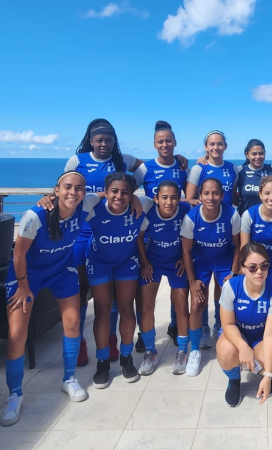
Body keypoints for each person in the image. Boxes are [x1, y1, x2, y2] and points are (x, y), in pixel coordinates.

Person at [0, 172, 98, 426]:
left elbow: (108, 194)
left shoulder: (85, 205)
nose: (73, 193)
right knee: (16, 334)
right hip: (26, 275)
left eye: (79, 188)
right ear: (56, 190)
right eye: (67, 187)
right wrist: (23, 286)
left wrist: (129, 197)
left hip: (61, 270)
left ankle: (69, 378)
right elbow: (18, 253)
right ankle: (14, 393)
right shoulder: (35, 216)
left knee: (74, 322)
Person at [64, 118, 144, 367]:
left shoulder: (123, 161)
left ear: (113, 141)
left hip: (111, 230)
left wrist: (133, 194)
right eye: (99, 140)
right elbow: (67, 191)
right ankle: (78, 343)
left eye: (108, 140)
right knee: (77, 292)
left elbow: (143, 169)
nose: (103, 144)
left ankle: (110, 339)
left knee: (110, 296)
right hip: (82, 232)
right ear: (91, 140)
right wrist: (103, 195)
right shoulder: (78, 161)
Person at [86, 173, 149, 389]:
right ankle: (102, 362)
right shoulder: (93, 207)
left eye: (125, 192)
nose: (119, 196)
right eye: (114, 191)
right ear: (105, 191)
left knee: (127, 309)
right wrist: (46, 199)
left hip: (126, 262)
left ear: (132, 195)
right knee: (102, 311)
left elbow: (166, 200)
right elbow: (64, 203)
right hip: (98, 262)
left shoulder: (141, 206)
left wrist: (137, 199)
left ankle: (126, 357)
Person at [133, 120, 189, 351]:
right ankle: (142, 334)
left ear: (175, 143)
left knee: (178, 297)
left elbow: (189, 196)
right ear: (154, 144)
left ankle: (176, 328)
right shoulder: (145, 168)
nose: (165, 144)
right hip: (151, 231)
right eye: (160, 141)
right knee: (145, 296)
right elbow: (128, 190)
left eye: (168, 140)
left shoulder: (182, 167)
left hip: (174, 230)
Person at [181, 178, 241, 375]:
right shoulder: (191, 217)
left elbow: (238, 246)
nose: (211, 197)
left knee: (228, 297)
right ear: (200, 196)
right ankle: (195, 349)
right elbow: (187, 252)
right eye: (206, 193)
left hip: (224, 259)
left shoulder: (231, 214)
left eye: (215, 193)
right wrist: (192, 281)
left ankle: (219, 325)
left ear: (222, 196)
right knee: (197, 303)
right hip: (202, 260)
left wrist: (233, 273)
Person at [185, 131, 239, 346]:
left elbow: (234, 197)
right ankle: (199, 331)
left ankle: (219, 323)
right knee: (197, 296)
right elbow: (190, 198)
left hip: (225, 232)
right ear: (206, 147)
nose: (216, 147)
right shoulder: (199, 168)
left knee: (222, 290)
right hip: (203, 236)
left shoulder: (233, 168)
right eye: (212, 144)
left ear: (225, 146)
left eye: (219, 144)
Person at [216, 243, 272, 407]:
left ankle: (265, 377)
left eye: (264, 266)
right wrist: (243, 347)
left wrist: (268, 375)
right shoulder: (231, 286)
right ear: (242, 268)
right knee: (226, 351)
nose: (259, 272)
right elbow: (228, 324)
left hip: (262, 336)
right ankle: (234, 379)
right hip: (238, 333)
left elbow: (270, 334)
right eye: (252, 267)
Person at [136, 180, 190, 375]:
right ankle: (150, 351)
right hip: (154, 263)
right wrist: (145, 262)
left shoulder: (185, 210)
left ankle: (183, 350)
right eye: (164, 197)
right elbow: (139, 237)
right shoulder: (148, 212)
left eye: (173, 197)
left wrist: (186, 259)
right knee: (146, 307)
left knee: (182, 307)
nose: (169, 202)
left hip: (176, 263)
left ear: (179, 198)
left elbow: (194, 234)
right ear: (156, 199)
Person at [234, 139, 272, 216]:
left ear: (265, 153)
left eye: (261, 153)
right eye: (254, 154)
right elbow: (233, 198)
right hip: (244, 219)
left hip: (268, 219)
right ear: (247, 155)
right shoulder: (239, 171)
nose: (258, 157)